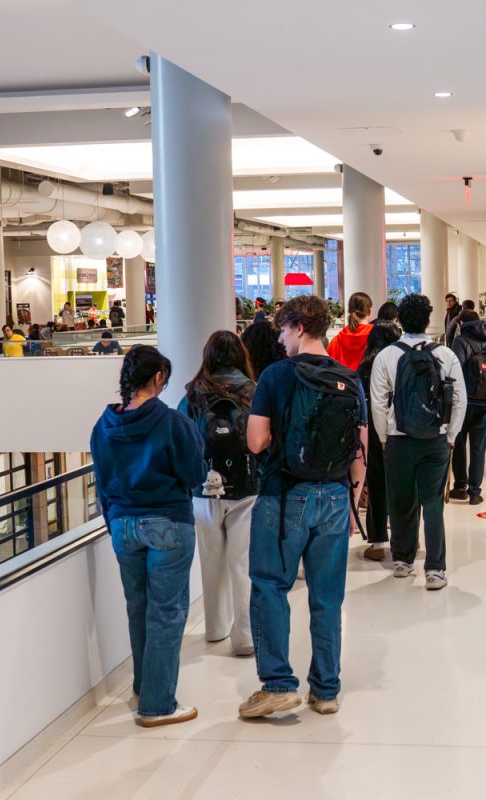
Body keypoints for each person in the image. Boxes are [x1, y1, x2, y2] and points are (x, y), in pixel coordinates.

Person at [240, 295, 367, 719]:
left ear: (297, 327)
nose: (279, 339)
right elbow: (360, 449)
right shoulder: (349, 378)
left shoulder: (276, 376)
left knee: (270, 586)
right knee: (327, 597)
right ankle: (326, 690)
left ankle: (278, 684)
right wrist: (352, 502)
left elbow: (256, 441)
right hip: (335, 496)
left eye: (282, 330)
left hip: (284, 495)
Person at [90, 345, 207, 727]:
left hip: (123, 526)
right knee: (167, 612)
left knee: (138, 608)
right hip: (167, 523)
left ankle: (144, 686)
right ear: (158, 378)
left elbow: (102, 485)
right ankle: (157, 705)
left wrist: (115, 522)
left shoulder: (103, 427)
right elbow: (195, 475)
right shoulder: (172, 422)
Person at [369, 293, 466, 591]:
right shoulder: (445, 354)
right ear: (428, 320)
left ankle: (402, 560)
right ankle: (435, 570)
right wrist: (450, 436)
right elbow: (459, 399)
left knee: (400, 500)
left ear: (399, 320)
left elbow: (378, 403)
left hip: (398, 440)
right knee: (433, 503)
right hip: (435, 439)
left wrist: (384, 437)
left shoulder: (386, 356)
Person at [179, 331, 259, 657]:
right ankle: (245, 637)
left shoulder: (192, 393)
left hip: (204, 489)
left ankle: (215, 628)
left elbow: (184, 442)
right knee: (243, 565)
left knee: (211, 562)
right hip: (246, 488)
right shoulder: (253, 392)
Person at [357, 321, 402, 560]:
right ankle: (408, 537)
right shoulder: (403, 363)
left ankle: (377, 544)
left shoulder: (365, 367)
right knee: (404, 485)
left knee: (376, 484)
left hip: (373, 431)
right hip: (402, 430)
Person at [450, 310, 486, 504]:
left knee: (459, 442)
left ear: (462, 322)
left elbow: (454, 371)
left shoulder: (460, 341)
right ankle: (475, 492)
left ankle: (460, 486)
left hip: (464, 402)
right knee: (478, 448)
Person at [326, 291, 374, 372]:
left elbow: (328, 369)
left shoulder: (336, 341)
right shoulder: (376, 335)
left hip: (342, 379)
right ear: (369, 311)